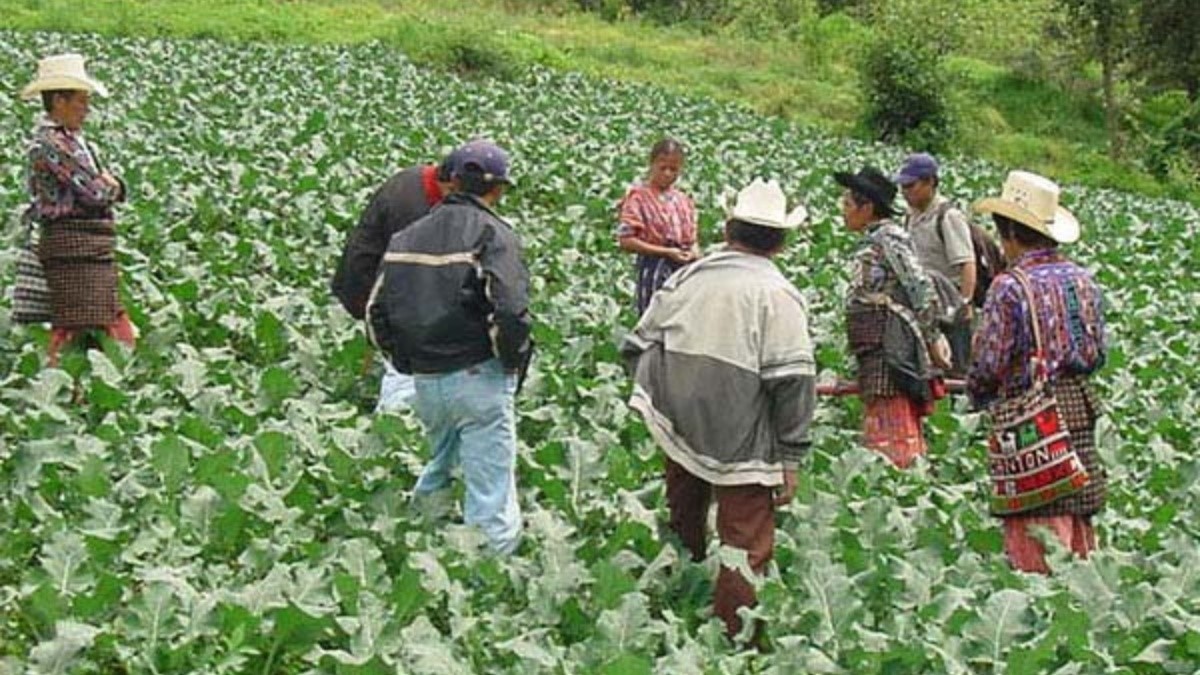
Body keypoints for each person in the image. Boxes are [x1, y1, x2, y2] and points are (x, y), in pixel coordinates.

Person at [621, 178, 814, 643]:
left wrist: (666, 396)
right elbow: (791, 383)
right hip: (741, 433)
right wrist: (790, 457)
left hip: (680, 422)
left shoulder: (691, 276)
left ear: (729, 229)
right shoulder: (778, 295)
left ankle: (665, 613)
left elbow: (636, 344)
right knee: (744, 540)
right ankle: (734, 638)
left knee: (683, 516)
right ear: (782, 242)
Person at [366, 140, 531, 555]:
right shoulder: (495, 234)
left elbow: (376, 311)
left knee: (440, 459)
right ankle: (489, 577)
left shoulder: (407, 236)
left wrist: (407, 361)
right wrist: (511, 363)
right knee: (491, 491)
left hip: (426, 377)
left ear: (451, 181)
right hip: (476, 373)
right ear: (496, 190)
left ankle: (415, 546)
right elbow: (509, 311)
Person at [969, 170, 1107, 574]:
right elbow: (1097, 353)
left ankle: (1043, 598)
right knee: (1076, 504)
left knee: (1038, 513)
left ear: (1008, 230)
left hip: (1031, 417)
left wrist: (978, 394)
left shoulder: (1009, 286)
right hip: (1079, 406)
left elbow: (989, 362)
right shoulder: (1083, 281)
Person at [21, 53, 135, 367]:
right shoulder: (52, 145)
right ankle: (62, 386)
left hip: (87, 247)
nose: (87, 109)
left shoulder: (73, 141)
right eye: (81, 101)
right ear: (59, 100)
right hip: (71, 247)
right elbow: (97, 191)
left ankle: (81, 385)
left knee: (99, 320)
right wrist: (116, 187)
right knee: (77, 326)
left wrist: (111, 185)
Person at [835, 166, 950, 469]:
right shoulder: (874, 239)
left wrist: (933, 336)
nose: (843, 211)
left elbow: (919, 286)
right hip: (874, 347)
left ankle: (898, 475)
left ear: (867, 207)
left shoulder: (890, 239)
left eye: (847, 204)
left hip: (889, 347)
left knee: (892, 417)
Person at [331, 147, 460, 409]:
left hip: (371, 280)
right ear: (449, 183)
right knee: (405, 369)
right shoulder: (413, 208)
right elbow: (413, 279)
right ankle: (395, 418)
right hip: (370, 285)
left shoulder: (418, 181)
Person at [895, 153, 976, 375]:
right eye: (902, 186)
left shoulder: (948, 216)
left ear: (930, 182)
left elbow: (967, 263)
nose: (905, 192)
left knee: (955, 370)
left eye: (910, 185)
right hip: (923, 306)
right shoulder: (909, 216)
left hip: (949, 306)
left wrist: (965, 304)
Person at [616, 138, 699, 315]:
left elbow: (692, 240)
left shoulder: (684, 200)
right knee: (652, 322)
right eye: (663, 168)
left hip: (682, 270)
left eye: (674, 169)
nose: (668, 173)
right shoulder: (638, 198)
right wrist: (665, 252)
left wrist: (693, 253)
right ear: (651, 165)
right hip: (653, 268)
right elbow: (626, 240)